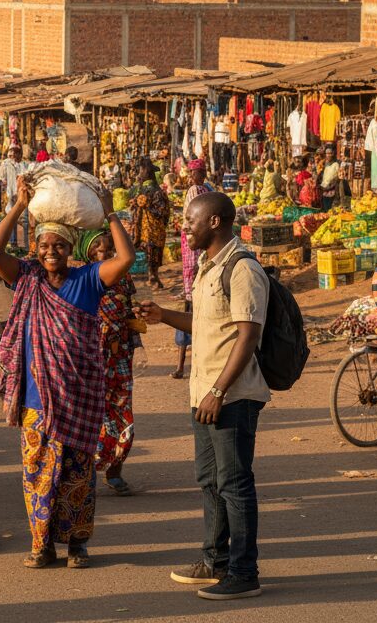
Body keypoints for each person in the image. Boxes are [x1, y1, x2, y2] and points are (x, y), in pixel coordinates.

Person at [0, 177, 134, 569]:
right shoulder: (27, 277)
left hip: (79, 393)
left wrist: (109, 213)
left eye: (59, 246)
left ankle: (77, 544)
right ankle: (42, 544)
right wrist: (18, 206)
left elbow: (125, 259)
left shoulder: (87, 279)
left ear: (71, 249)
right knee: (37, 472)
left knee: (78, 475)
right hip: (36, 398)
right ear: (34, 248)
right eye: (45, 246)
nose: (51, 252)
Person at [136, 192, 270, 600]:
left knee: (234, 483)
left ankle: (245, 573)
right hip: (205, 394)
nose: (184, 227)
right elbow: (204, 323)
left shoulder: (243, 268)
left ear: (214, 222)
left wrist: (217, 391)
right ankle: (214, 562)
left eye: (190, 220)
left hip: (230, 396)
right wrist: (163, 316)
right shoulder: (208, 269)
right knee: (209, 481)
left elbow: (248, 337)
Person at [81, 230, 142, 497]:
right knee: (91, 417)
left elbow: (129, 311)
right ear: (86, 252)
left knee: (121, 413)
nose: (103, 254)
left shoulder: (124, 278)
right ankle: (84, 473)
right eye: (97, 249)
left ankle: (115, 470)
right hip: (88, 360)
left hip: (119, 359)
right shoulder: (81, 279)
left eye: (108, 249)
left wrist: (137, 316)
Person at [176, 159, 213, 379]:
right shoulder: (200, 190)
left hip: (195, 250)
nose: (193, 177)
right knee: (192, 306)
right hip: (195, 250)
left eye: (196, 173)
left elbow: (194, 220)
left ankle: (182, 365)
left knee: (190, 305)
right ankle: (184, 364)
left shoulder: (198, 190)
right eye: (192, 173)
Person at [129, 161, 170, 290]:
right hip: (142, 229)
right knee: (146, 252)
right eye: (140, 170)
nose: (140, 173)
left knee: (153, 253)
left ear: (149, 173)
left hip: (154, 230)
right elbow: (135, 206)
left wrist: (146, 205)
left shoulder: (158, 192)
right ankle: (152, 277)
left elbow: (162, 212)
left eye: (143, 170)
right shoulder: (141, 189)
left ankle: (154, 277)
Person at [0, 146, 31, 247]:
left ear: (20, 155)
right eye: (11, 155)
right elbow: (2, 179)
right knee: (12, 218)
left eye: (15, 155)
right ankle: (13, 242)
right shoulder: (5, 164)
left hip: (23, 194)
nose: (13, 157)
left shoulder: (25, 164)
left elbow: (29, 178)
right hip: (10, 194)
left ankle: (27, 244)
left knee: (25, 219)